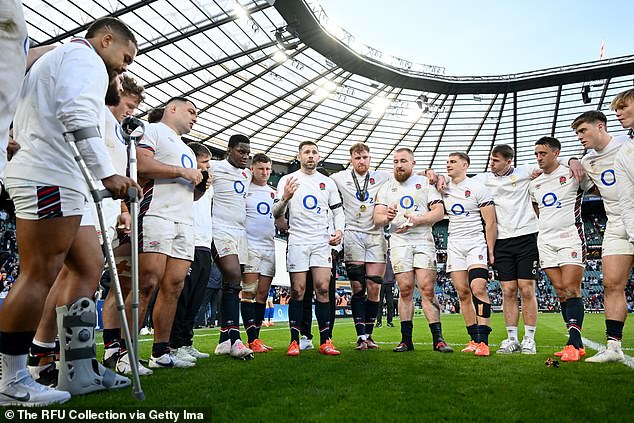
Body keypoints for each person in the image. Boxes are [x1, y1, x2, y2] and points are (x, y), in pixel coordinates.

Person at [0, 17, 138, 406]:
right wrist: (108, 173)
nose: (124, 67)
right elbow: (75, 114)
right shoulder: (85, 58)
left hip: (59, 176)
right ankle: (10, 378)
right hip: (48, 175)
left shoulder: (64, 58)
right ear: (106, 40)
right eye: (125, 57)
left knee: (88, 264)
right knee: (37, 273)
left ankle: (70, 364)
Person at [134, 97, 207, 369]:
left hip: (184, 221)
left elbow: (189, 191)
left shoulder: (186, 148)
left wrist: (199, 185)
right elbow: (141, 164)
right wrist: (183, 171)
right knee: (148, 282)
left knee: (174, 285)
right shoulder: (151, 129)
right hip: (156, 213)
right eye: (191, 111)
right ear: (172, 109)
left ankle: (161, 351)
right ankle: (125, 352)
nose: (195, 117)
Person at [374, 148, 452, 353]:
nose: (399, 165)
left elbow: (439, 212)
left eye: (403, 161)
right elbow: (377, 218)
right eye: (396, 161)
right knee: (406, 289)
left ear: (413, 163)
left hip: (423, 239)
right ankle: (406, 340)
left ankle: (439, 339)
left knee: (427, 288)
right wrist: (387, 218)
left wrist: (417, 220)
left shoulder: (425, 183)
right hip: (399, 241)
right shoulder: (386, 187)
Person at [273, 141, 344, 356]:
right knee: (298, 291)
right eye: (306, 152)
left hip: (321, 241)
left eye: (314, 152)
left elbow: (338, 212)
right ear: (299, 156)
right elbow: (276, 213)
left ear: (319, 156)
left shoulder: (327, 182)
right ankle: (294, 341)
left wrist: (339, 231)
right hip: (297, 240)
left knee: (323, 288)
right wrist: (285, 198)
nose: (310, 156)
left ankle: (326, 341)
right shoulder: (287, 180)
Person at [572, 110, 633, 363]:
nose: (580, 136)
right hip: (616, 222)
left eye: (583, 130)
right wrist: (573, 159)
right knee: (611, 284)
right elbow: (588, 185)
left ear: (600, 126)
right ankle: (613, 347)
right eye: (576, 133)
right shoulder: (587, 162)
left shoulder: (626, 144)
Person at [470, 145, 541, 354]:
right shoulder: (484, 179)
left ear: (509, 161)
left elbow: (552, 164)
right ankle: (512, 339)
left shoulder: (525, 172)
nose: (491, 163)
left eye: (496, 160)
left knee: (527, 288)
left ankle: (529, 338)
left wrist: (572, 160)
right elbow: (459, 179)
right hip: (501, 241)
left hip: (527, 236)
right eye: (491, 159)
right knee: (508, 291)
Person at [529, 136, 592, 362]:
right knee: (559, 290)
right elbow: (536, 208)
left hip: (570, 236)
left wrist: (573, 160)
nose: (538, 158)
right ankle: (578, 343)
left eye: (543, 153)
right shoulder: (534, 183)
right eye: (536, 154)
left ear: (556, 153)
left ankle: (573, 344)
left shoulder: (572, 172)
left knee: (571, 288)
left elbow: (592, 185)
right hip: (545, 240)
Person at [331, 143, 390, 350]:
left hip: (376, 235)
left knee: (374, 287)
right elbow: (321, 184)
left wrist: (430, 174)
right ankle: (360, 336)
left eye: (365, 157)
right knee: (358, 287)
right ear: (351, 160)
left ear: (370, 158)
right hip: (353, 234)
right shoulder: (339, 178)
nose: (362, 161)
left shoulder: (382, 177)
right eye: (357, 158)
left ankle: (370, 335)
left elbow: (407, 177)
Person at [443, 152, 496, 357]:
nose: (448, 165)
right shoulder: (443, 185)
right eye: (447, 162)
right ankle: (473, 338)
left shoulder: (477, 188)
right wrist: (432, 174)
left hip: (475, 243)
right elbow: (420, 177)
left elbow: (490, 222)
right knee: (463, 292)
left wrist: (490, 249)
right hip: (454, 244)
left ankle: (484, 340)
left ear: (465, 165)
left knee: (478, 288)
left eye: (453, 162)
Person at [210, 134, 254, 360]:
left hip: (240, 232)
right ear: (229, 150)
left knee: (232, 284)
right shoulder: (215, 167)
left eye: (248, 152)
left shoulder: (247, 174)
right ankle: (236, 339)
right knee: (233, 275)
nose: (245, 156)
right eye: (241, 151)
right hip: (219, 228)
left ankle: (223, 340)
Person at [168, 142, 213, 361]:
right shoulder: (185, 181)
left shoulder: (207, 184)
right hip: (188, 241)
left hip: (205, 244)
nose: (208, 167)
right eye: (204, 162)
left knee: (196, 298)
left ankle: (187, 340)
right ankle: (174, 344)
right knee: (183, 297)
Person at [241, 153, 276, 353]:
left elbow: (278, 219)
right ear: (252, 168)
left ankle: (256, 339)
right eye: (261, 168)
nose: (264, 172)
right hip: (251, 247)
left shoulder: (273, 192)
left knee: (262, 294)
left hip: (269, 248)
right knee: (249, 292)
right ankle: (251, 339)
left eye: (268, 169)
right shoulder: (245, 189)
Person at [377, 252, 395, 328]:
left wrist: (394, 282)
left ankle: (389, 321)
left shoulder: (392, 257)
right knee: (379, 304)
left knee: (390, 304)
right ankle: (379, 322)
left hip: (390, 284)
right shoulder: (378, 256)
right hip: (380, 283)